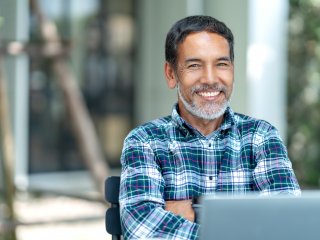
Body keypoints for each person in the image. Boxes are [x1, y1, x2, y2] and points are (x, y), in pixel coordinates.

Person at [119, 15, 300, 240]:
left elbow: (287, 225)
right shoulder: (145, 141)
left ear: (232, 70)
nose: (210, 78)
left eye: (221, 64)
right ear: (171, 74)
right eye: (195, 65)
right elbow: (143, 229)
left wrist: (194, 208)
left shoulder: (261, 137)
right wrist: (244, 225)